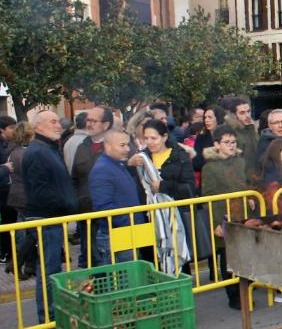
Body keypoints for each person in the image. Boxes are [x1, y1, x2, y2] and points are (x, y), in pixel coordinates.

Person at [23, 110, 76, 323]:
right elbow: (40, 191)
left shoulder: (49, 148)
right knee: (48, 268)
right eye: (52, 122)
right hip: (46, 220)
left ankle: (53, 313)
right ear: (38, 127)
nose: (58, 125)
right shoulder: (37, 152)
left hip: (53, 219)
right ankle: (48, 316)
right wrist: (63, 205)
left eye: (57, 121)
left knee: (52, 267)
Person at [200, 125, 248, 309]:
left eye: (233, 142)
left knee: (243, 255)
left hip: (241, 215)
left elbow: (244, 184)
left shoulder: (240, 162)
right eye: (226, 142)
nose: (231, 145)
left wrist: (250, 196)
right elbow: (209, 197)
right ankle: (233, 296)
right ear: (217, 145)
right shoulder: (210, 167)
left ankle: (245, 290)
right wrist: (216, 222)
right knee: (227, 258)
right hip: (223, 216)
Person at [89, 130, 145, 265]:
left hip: (127, 232)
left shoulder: (116, 165)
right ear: (108, 146)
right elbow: (103, 207)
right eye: (122, 145)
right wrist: (128, 221)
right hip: (118, 234)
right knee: (123, 280)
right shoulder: (102, 170)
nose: (127, 149)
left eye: (127, 145)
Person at [70, 107, 114, 267]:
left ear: (106, 124)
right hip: (86, 212)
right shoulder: (82, 146)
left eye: (93, 121)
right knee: (90, 257)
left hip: (110, 215)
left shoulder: (116, 145)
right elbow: (75, 178)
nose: (88, 124)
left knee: (108, 260)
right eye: (87, 120)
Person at [5, 123, 35, 280]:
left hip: (17, 196)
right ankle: (17, 262)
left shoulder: (13, 151)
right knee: (32, 233)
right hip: (26, 197)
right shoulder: (24, 154)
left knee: (27, 232)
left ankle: (26, 264)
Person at [141, 120, 197, 202]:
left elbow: (189, 189)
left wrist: (163, 186)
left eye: (153, 138)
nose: (149, 142)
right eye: (146, 138)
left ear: (164, 137)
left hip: (178, 211)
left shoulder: (179, 156)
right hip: (152, 212)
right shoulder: (142, 158)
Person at [0, 115, 17, 264]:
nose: (14, 131)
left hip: (3, 190)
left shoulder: (4, 144)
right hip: (0, 192)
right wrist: (4, 169)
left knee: (9, 221)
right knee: (7, 221)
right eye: (11, 128)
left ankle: (7, 253)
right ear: (2, 129)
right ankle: (5, 253)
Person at [224, 98, 259, 181]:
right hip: (240, 180)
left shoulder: (253, 129)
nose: (247, 115)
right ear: (234, 115)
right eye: (242, 113)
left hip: (255, 178)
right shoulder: (230, 133)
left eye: (248, 111)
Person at [194, 106, 227, 172]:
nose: (206, 120)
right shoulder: (201, 137)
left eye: (210, 117)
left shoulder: (228, 137)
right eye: (205, 117)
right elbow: (196, 164)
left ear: (218, 118)